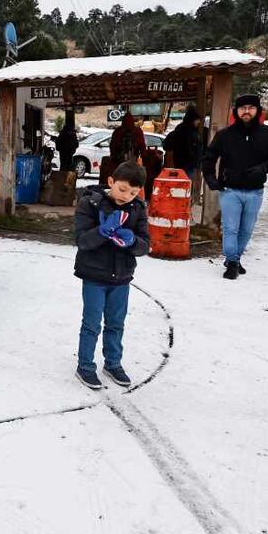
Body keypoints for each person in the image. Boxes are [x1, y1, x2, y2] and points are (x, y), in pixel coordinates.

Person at [72, 162, 151, 390]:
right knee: (91, 324)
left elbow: (145, 245)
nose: (126, 196)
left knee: (116, 323)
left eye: (133, 192)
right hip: (94, 277)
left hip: (122, 278)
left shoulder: (137, 209)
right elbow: (82, 241)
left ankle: (113, 363)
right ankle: (85, 366)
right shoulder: (91, 203)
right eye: (122, 189)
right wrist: (101, 231)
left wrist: (133, 241)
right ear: (110, 182)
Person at [200, 94, 268, 280]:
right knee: (231, 228)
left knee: (246, 229)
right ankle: (232, 262)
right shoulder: (225, 135)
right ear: (236, 111)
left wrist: (263, 168)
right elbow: (209, 157)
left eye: (250, 107)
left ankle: (235, 258)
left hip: (255, 191)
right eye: (242, 108)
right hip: (230, 190)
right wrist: (211, 179)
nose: (246, 111)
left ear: (258, 111)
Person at [163, 107, 204, 177]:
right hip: (188, 164)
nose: (199, 122)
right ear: (193, 120)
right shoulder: (190, 132)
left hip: (180, 163)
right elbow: (190, 148)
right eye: (197, 120)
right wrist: (195, 160)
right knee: (186, 182)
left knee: (182, 183)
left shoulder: (180, 129)